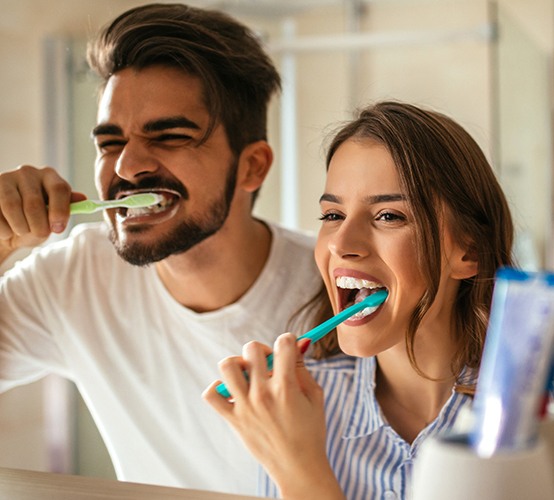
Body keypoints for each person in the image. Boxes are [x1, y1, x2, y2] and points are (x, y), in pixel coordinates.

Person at [0, 3, 322, 496]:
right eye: (110, 143)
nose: (127, 168)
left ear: (252, 167)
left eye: (169, 135)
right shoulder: (74, 276)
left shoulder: (338, 299)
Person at [204, 101, 515, 500]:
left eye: (388, 216)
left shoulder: (528, 418)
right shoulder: (292, 411)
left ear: (467, 252)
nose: (341, 244)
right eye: (332, 215)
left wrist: (301, 472)